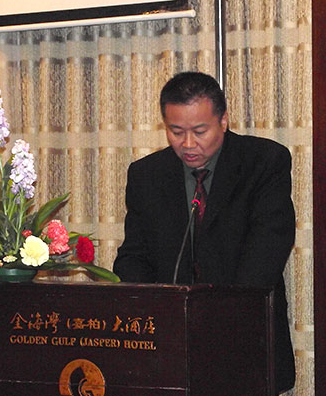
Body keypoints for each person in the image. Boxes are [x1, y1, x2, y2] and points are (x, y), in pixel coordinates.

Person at [113, 71, 296, 392]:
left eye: (199, 131)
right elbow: (133, 257)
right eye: (176, 131)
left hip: (244, 340)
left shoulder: (264, 161)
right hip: (168, 345)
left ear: (223, 120)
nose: (188, 144)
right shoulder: (147, 174)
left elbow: (268, 250)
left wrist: (212, 320)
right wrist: (153, 313)